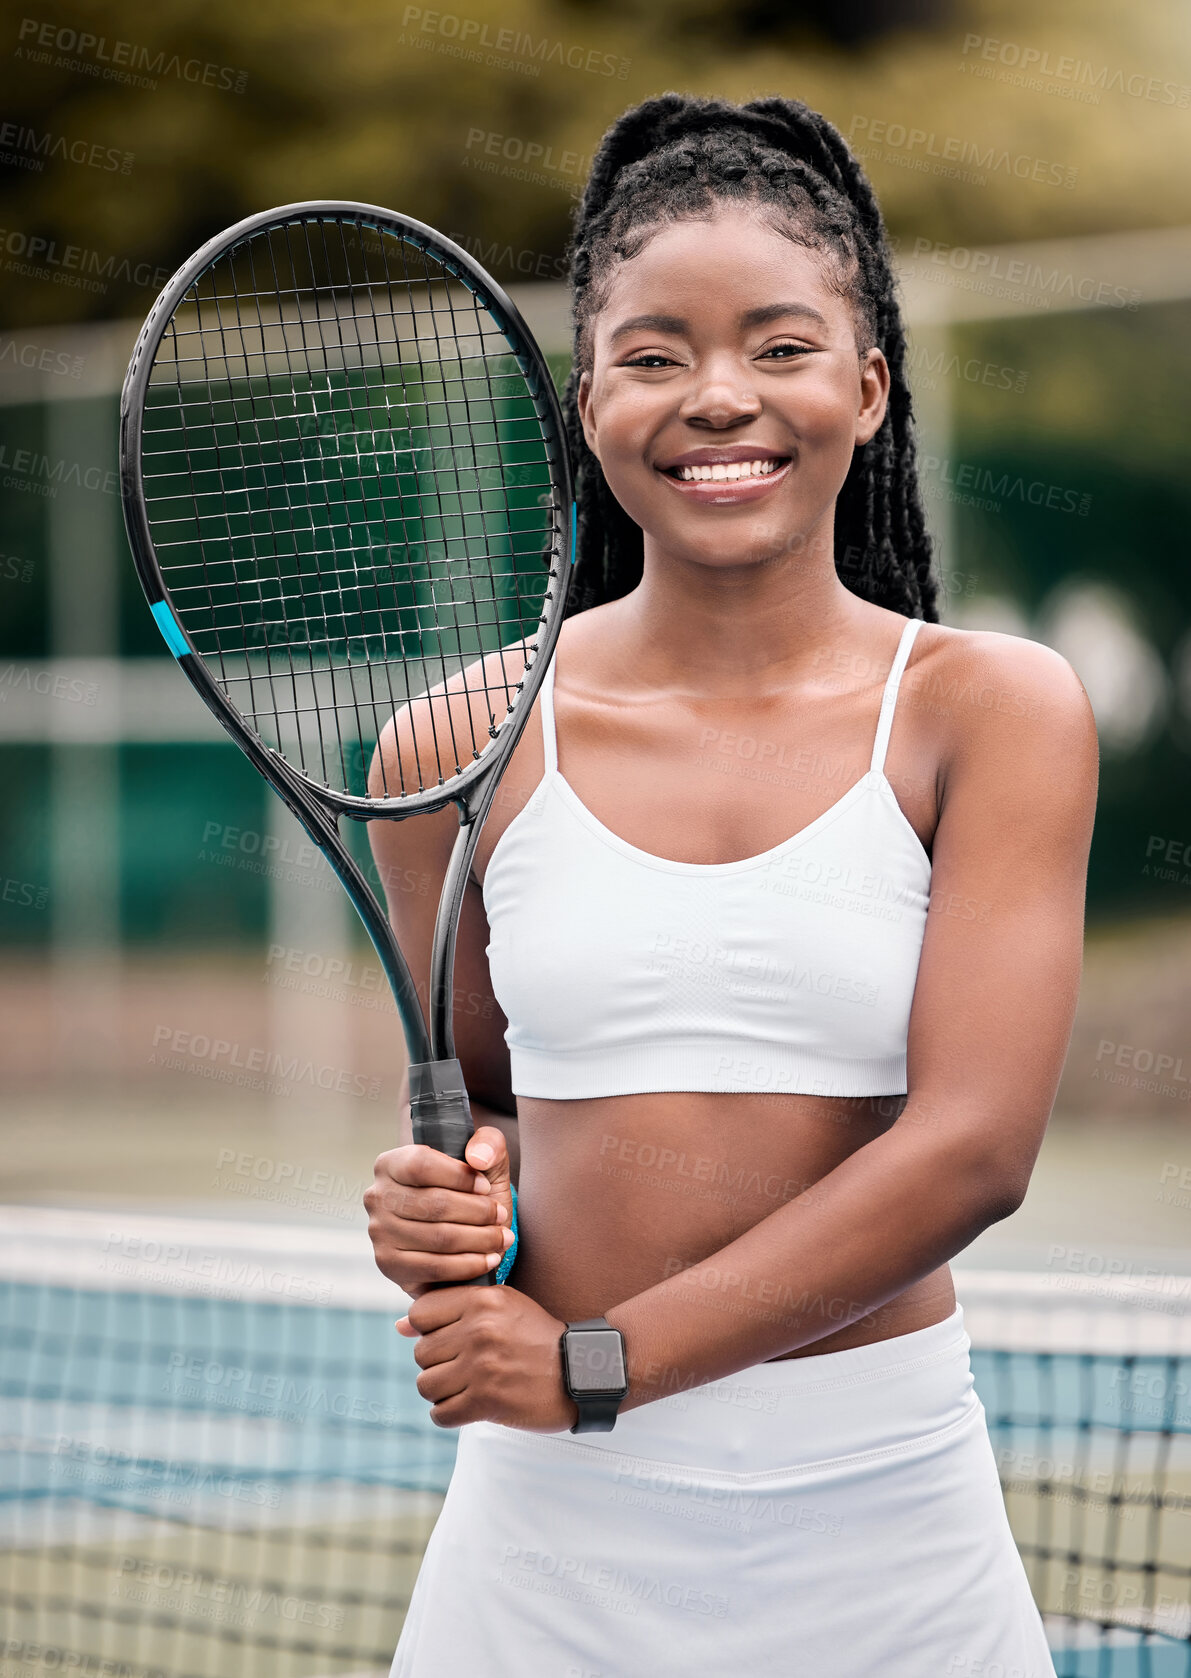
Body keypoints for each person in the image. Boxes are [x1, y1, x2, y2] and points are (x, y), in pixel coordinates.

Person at [364, 91, 1098, 1677]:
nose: (719, 398)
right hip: (545, 1548)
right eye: (653, 353)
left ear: (870, 386)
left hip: (886, 1527)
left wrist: (605, 1360)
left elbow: (973, 1149)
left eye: (780, 346)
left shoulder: (997, 711)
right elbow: (484, 1096)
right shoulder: (452, 743)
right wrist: (442, 1198)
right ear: (586, 402)